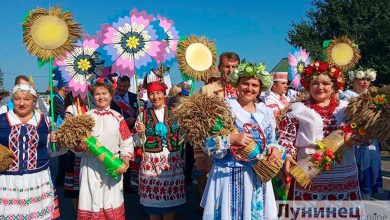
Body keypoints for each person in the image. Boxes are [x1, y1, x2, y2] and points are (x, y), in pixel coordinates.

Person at [201, 62, 280, 220]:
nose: (249, 88)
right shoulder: (223, 109)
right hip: (228, 175)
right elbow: (206, 143)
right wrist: (230, 139)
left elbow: (272, 141)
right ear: (237, 84)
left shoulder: (266, 112)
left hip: (257, 175)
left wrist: (274, 149)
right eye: (245, 83)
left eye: (254, 85)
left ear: (260, 88)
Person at [279, 61, 361, 201]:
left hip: (343, 173)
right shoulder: (297, 108)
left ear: (334, 86)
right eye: (315, 83)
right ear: (308, 85)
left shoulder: (347, 108)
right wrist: (287, 156)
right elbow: (286, 139)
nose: (320, 87)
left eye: (326, 83)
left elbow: (363, 138)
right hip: (308, 172)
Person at [0, 84, 62, 219]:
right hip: (7, 181)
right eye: (17, 99)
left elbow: (55, 152)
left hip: (38, 180)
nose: (21, 103)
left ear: (34, 101)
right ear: (12, 100)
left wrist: (57, 141)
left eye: (26, 99)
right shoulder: (2, 120)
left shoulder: (47, 122)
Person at [77, 80, 134, 219]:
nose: (101, 97)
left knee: (111, 202)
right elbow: (76, 143)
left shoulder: (118, 117)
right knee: (91, 201)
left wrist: (125, 158)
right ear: (92, 96)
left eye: (104, 93)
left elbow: (127, 141)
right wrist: (79, 146)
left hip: (111, 165)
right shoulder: (85, 118)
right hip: (90, 167)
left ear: (111, 96)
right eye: (97, 94)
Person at [136, 81, 186, 220]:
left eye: (158, 93)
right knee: (153, 209)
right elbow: (137, 142)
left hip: (171, 162)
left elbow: (183, 136)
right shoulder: (142, 116)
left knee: (170, 208)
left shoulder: (176, 113)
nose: (155, 97)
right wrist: (141, 133)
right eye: (151, 94)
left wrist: (186, 127)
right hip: (151, 162)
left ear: (164, 94)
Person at [340, 68, 383, 199]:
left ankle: (367, 194)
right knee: (356, 165)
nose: (365, 82)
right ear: (354, 80)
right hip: (354, 138)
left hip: (371, 139)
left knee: (372, 165)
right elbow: (344, 117)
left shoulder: (375, 96)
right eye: (362, 79)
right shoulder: (347, 96)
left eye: (368, 80)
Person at [62, 94, 89, 210]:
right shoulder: (70, 109)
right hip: (74, 152)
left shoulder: (87, 107)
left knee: (86, 186)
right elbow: (68, 130)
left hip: (87, 152)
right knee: (75, 189)